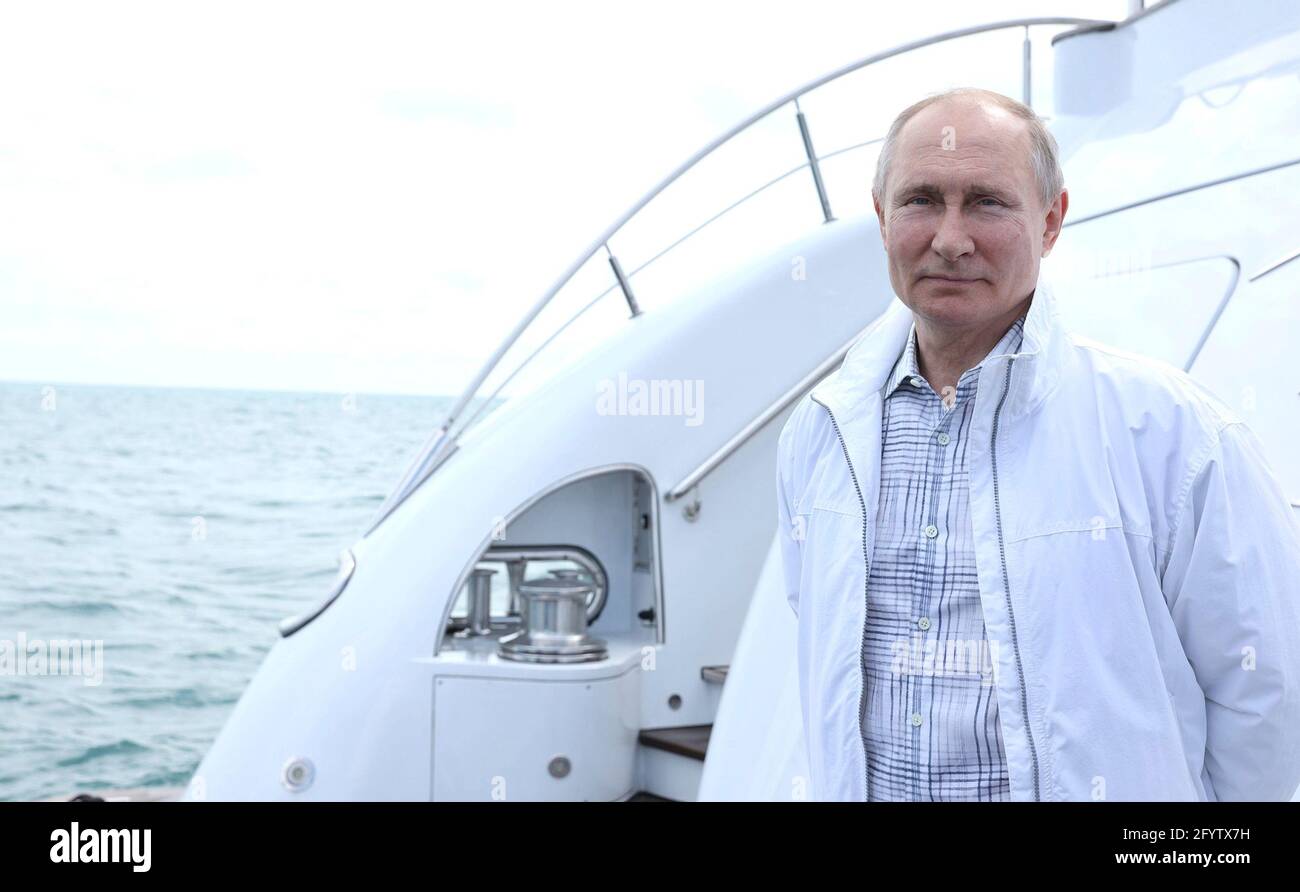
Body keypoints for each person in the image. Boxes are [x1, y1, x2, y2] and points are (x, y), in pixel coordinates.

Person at [775, 86, 1300, 801]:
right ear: (881, 216)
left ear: (1052, 221)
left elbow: (1266, 696)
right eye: (921, 200)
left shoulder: (1174, 435)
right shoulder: (822, 432)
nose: (950, 238)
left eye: (987, 202)